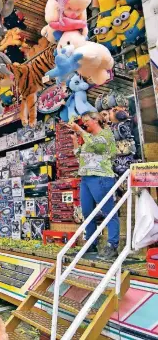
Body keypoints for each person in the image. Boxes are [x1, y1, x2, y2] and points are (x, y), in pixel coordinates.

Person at [71, 112, 118, 261]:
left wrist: (80, 131)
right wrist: (75, 141)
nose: (84, 123)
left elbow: (98, 146)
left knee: (108, 211)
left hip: (101, 177)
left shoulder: (106, 134)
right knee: (87, 213)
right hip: (85, 178)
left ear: (96, 120)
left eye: (86, 120)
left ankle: (112, 245)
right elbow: (81, 157)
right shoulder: (88, 139)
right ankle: (91, 243)